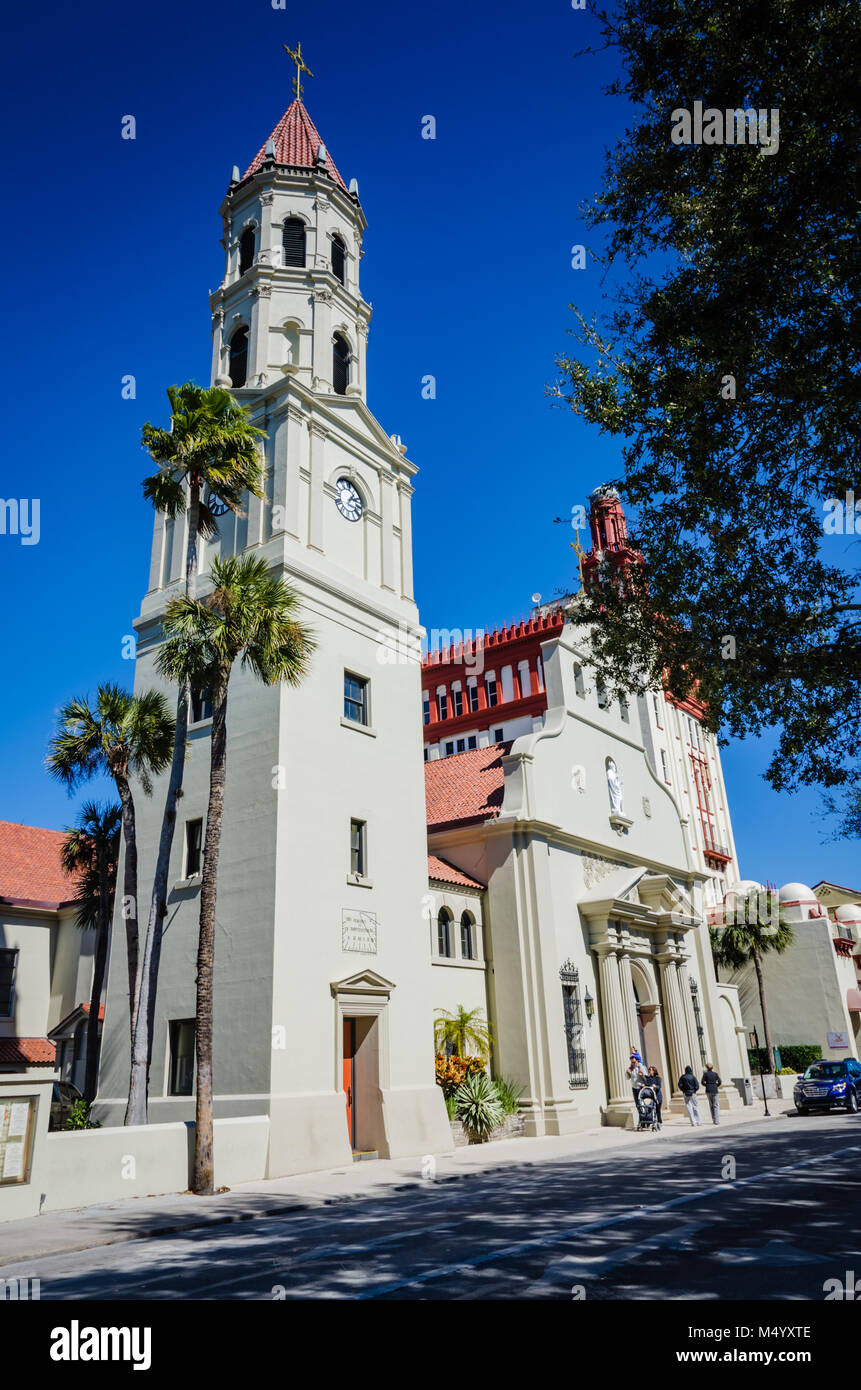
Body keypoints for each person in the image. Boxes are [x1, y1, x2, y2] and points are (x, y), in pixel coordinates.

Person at [646, 1064, 663, 1129]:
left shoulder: (658, 1078)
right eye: (649, 1070)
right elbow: (646, 1084)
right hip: (651, 1097)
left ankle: (660, 1122)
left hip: (658, 1096)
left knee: (658, 1110)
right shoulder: (648, 1078)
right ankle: (651, 1122)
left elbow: (659, 1086)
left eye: (650, 1070)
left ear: (654, 1071)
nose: (649, 1071)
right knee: (650, 1109)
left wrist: (655, 1086)